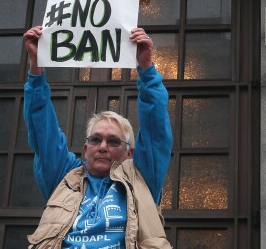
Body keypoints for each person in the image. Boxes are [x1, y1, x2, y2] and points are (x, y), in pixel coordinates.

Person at [23, 25, 173, 249]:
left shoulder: (142, 178)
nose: (102, 146)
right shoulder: (64, 177)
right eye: (95, 140)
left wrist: (146, 68)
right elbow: (42, 131)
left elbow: (156, 130)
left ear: (129, 153)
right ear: (85, 149)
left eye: (113, 141)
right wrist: (36, 68)